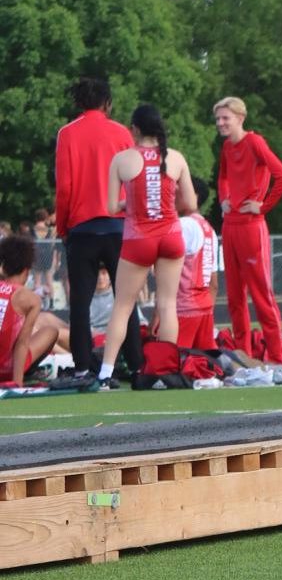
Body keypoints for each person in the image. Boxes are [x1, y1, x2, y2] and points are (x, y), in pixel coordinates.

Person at [93, 105, 197, 388]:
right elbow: (191, 204)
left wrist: (134, 203)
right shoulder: (175, 158)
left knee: (123, 307)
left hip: (139, 238)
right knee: (167, 305)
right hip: (171, 234)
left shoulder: (122, 160)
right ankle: (166, 372)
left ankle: (105, 374)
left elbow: (111, 206)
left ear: (134, 129)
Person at [54, 76, 144, 379]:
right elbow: (136, 181)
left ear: (78, 103)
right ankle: (135, 364)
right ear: (108, 102)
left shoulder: (67, 134)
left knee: (80, 301)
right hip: (120, 227)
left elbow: (64, 187)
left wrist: (63, 226)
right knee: (126, 298)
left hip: (82, 227)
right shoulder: (121, 133)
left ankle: (82, 367)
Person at [214, 96, 282, 361]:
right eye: (218, 119)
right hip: (230, 226)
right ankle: (243, 357)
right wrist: (224, 198)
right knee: (234, 297)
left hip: (251, 226)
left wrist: (263, 206)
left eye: (225, 118)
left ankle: (278, 358)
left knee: (261, 295)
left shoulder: (255, 142)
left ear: (240, 118)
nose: (220, 123)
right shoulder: (226, 147)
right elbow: (223, 176)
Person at [0, 233, 65, 384]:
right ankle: (25, 375)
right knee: (51, 331)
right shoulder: (30, 298)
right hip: (7, 370)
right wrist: (17, 383)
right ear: (27, 269)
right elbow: (22, 343)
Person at [175, 176, 220, 352]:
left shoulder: (184, 225)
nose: (174, 194)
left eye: (179, 190)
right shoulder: (209, 229)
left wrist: (159, 313)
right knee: (208, 361)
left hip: (184, 307)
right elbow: (213, 283)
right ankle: (246, 373)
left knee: (171, 365)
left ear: (194, 195)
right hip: (204, 307)